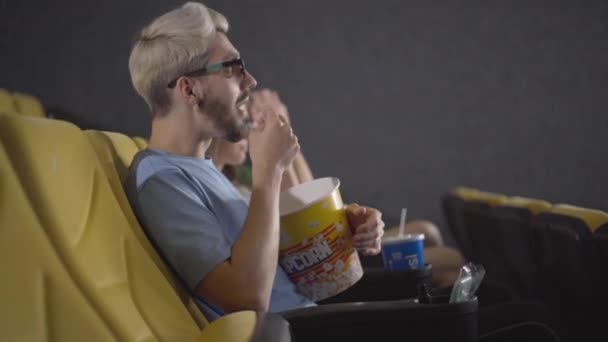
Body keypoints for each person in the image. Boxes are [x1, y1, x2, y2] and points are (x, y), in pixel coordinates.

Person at [124, 2, 560, 340]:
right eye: (234, 68)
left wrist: (339, 236)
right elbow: (246, 298)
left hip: (318, 315)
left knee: (503, 299)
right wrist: (269, 172)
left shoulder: (201, 169)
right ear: (189, 88)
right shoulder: (161, 180)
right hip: (305, 333)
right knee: (531, 320)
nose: (250, 80)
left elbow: (270, 263)